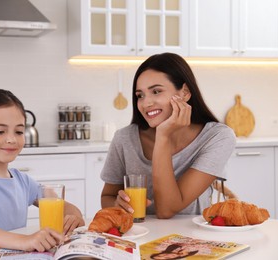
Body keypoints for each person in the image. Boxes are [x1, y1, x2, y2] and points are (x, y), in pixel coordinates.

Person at [0, 88, 85, 256]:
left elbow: (63, 206)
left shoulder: (23, 181)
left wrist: (74, 216)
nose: (11, 139)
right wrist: (26, 241)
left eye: (19, 131)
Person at [100, 53, 236, 219]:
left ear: (185, 92)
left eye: (156, 91)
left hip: (192, 237)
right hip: (138, 236)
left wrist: (163, 136)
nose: (146, 103)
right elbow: (107, 196)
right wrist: (116, 205)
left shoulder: (217, 137)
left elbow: (166, 210)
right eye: (140, 95)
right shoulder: (125, 138)